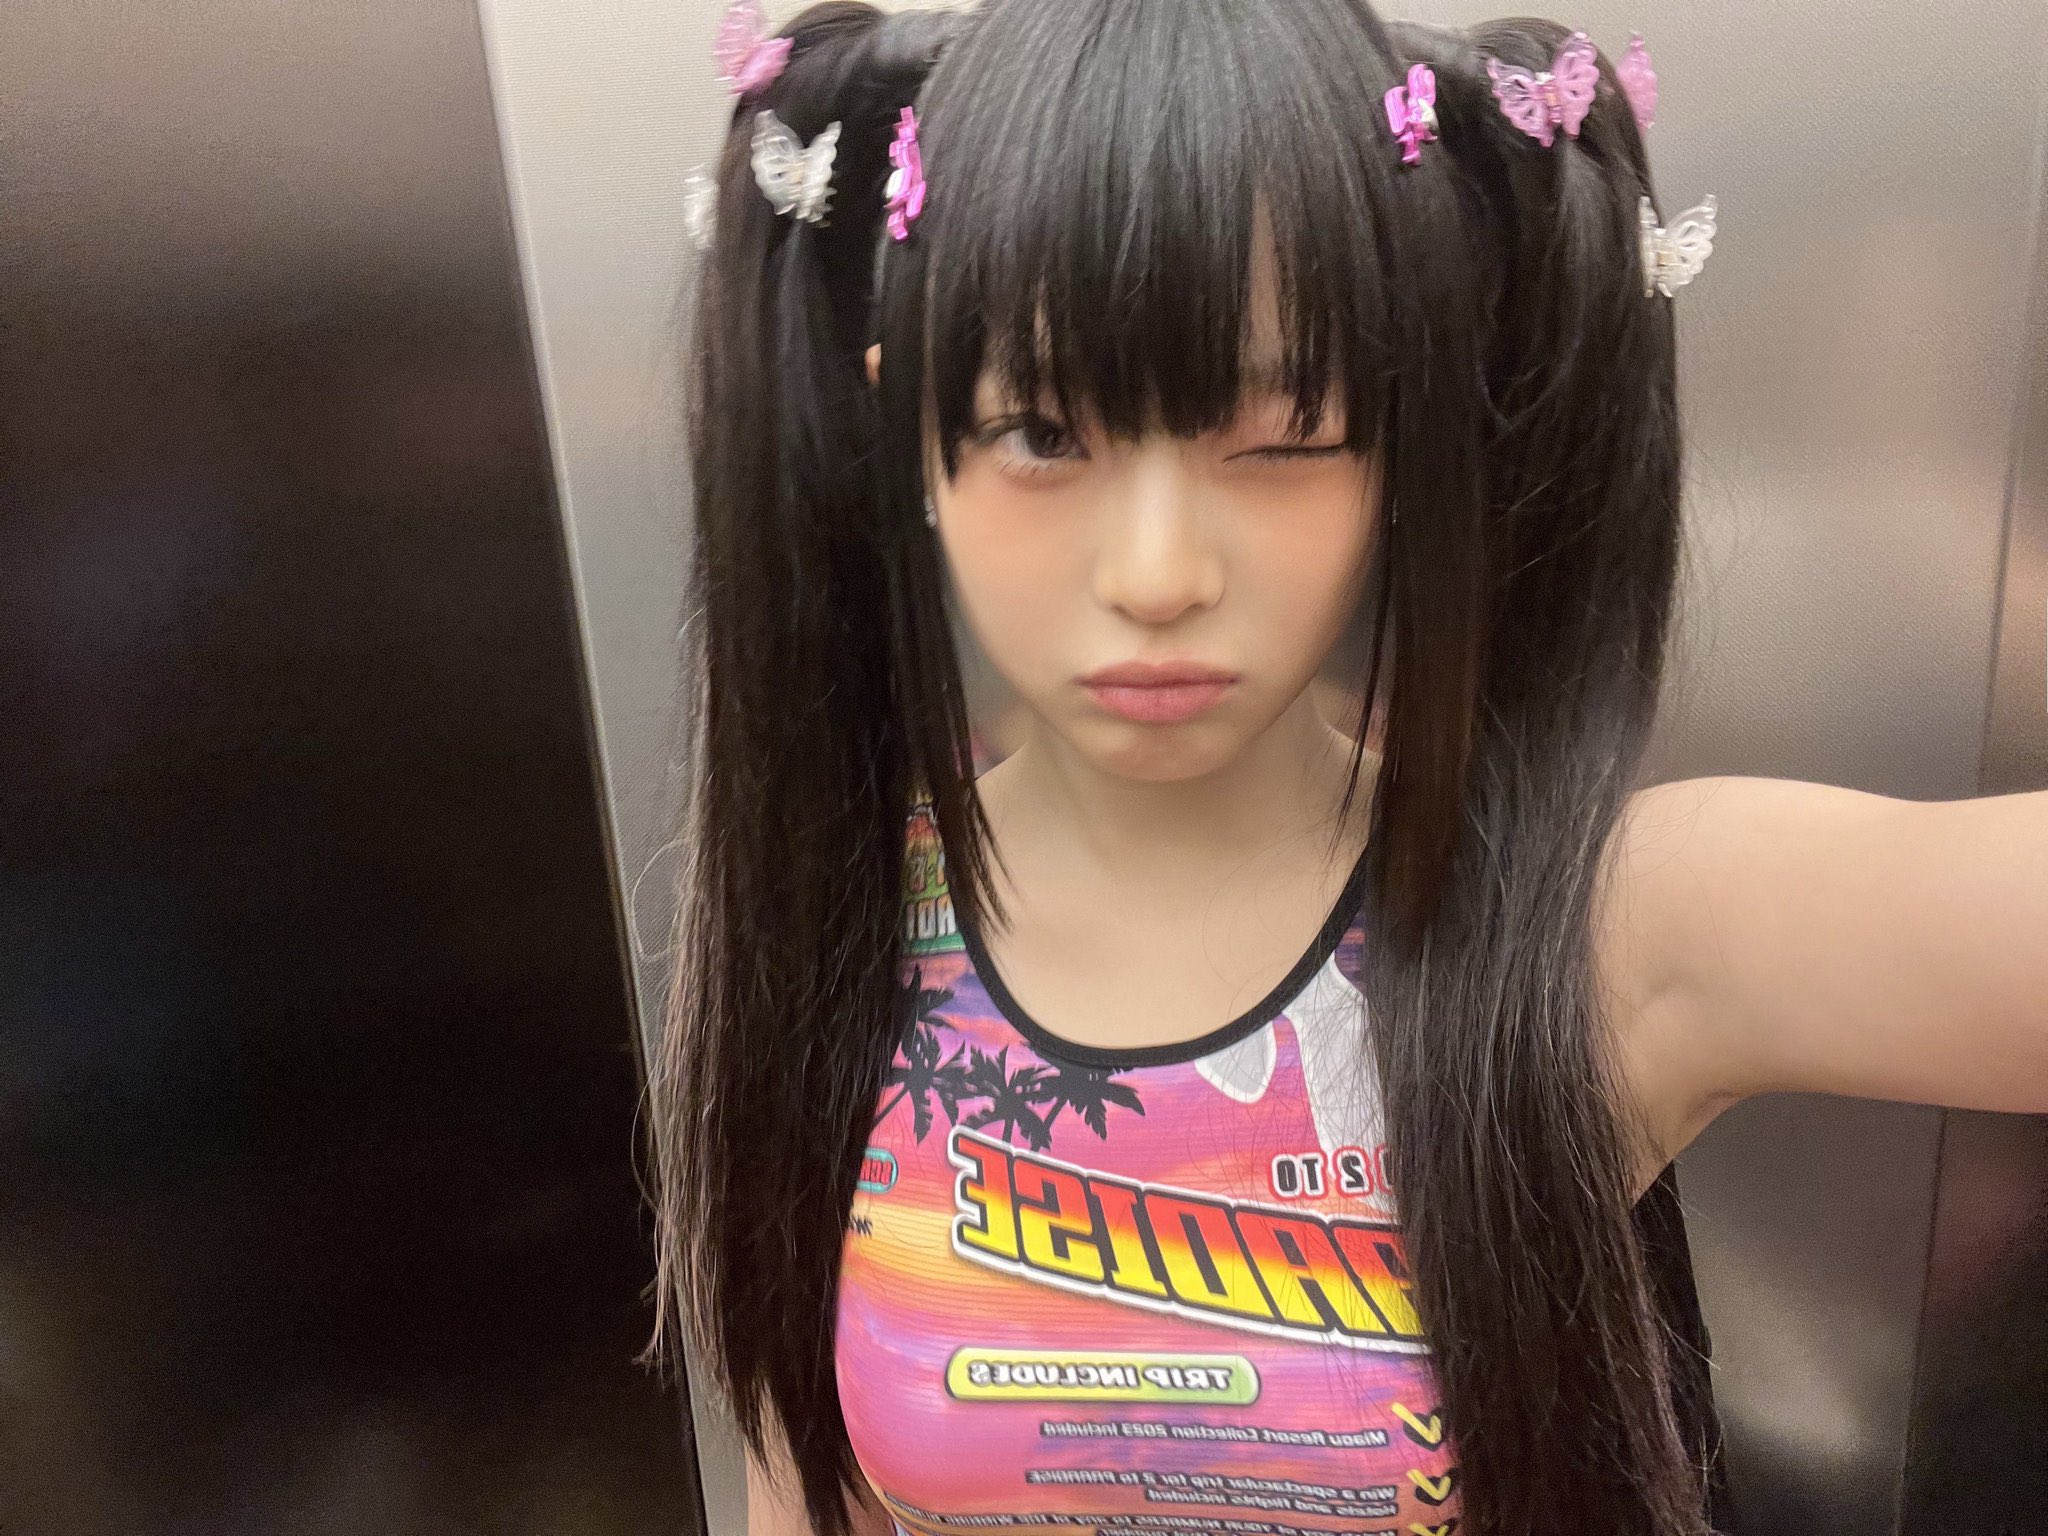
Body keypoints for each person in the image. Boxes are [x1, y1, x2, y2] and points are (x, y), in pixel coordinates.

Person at [641, 3, 2048, 1534]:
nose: (1159, 573)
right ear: (911, 430)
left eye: (1287, 433)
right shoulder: (839, 931)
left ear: (1402, 446)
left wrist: (1913, 530)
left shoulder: (1589, 936)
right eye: (1042, 431)